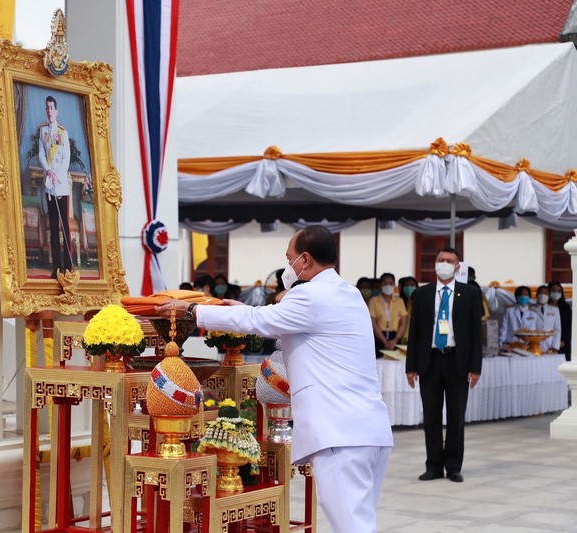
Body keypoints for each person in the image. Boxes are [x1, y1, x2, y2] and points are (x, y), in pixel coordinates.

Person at [155, 226, 393, 533]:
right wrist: (243, 309)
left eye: (289, 258)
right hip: (369, 429)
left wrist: (191, 310)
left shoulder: (310, 295)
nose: (288, 265)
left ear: (305, 260)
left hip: (341, 433)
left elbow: (260, 321)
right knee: (360, 523)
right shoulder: (347, 293)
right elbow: (278, 321)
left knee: (351, 527)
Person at [406, 247, 482, 483]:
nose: (445, 264)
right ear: (435, 264)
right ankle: (434, 466)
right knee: (431, 416)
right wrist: (411, 366)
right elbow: (415, 331)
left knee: (456, 416)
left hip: (457, 360)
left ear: (458, 267)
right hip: (430, 360)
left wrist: (475, 367)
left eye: (450, 261)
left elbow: (475, 333)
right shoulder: (422, 294)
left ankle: (454, 466)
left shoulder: (469, 293)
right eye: (441, 260)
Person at [38, 95, 73, 277]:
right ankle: (57, 267)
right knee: (52, 225)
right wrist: (47, 171)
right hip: (49, 184)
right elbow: (42, 154)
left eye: (52, 107)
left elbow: (65, 158)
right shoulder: (43, 131)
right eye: (47, 108)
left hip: (60, 185)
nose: (49, 111)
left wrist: (56, 176)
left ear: (57, 111)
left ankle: (68, 266)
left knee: (64, 226)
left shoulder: (63, 132)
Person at [368, 272, 407, 357]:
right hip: (379, 336)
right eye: (385, 283)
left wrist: (395, 340)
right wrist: (384, 341)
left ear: (394, 285)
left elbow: (403, 322)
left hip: (395, 336)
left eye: (391, 283)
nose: (388, 286)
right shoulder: (374, 301)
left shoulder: (399, 301)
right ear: (380, 285)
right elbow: (373, 323)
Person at [532, 285, 561, 353]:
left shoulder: (555, 310)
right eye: (540, 293)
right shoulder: (531, 309)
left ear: (549, 296)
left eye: (545, 293)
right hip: (533, 345)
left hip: (550, 346)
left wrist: (555, 346)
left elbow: (557, 329)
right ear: (536, 295)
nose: (542, 295)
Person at [548, 281, 571, 360]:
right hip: (547, 344)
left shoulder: (566, 308)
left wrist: (563, 342)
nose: (556, 293)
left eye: (559, 291)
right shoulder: (544, 307)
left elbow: (569, 326)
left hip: (563, 345)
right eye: (553, 290)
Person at [398, 276, 418, 344]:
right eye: (406, 285)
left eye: (412, 285)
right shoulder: (398, 303)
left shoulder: (420, 303)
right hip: (400, 339)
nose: (409, 287)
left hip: (415, 339)